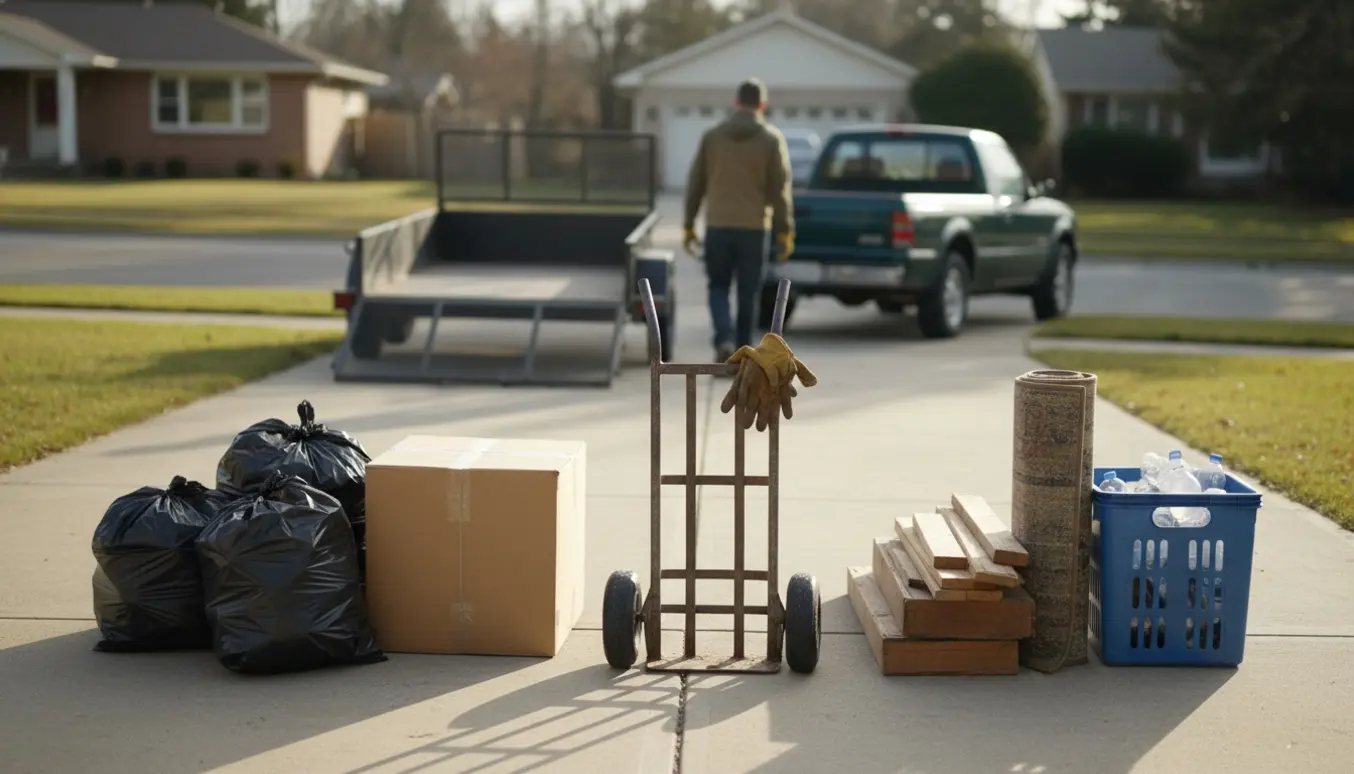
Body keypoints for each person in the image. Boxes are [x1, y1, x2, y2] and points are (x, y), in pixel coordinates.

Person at [682, 78, 796, 363]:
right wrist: (785, 230)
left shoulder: (712, 137)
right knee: (748, 293)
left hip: (718, 225)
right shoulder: (771, 139)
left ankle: (724, 338)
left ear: (736, 103)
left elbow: (696, 183)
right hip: (755, 228)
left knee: (718, 286)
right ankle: (743, 355)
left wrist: (688, 224)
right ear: (762, 105)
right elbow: (779, 190)